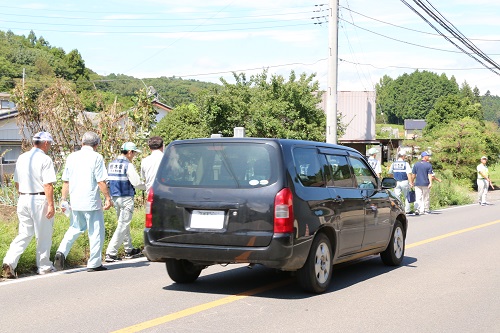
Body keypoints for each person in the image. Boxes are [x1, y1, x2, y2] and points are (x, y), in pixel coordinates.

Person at [54, 132, 113, 272]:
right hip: (91, 200)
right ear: (96, 145)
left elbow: (66, 181)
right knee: (96, 231)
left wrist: (63, 199)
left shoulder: (72, 157)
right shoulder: (96, 157)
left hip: (75, 200)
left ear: (82, 143)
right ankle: (94, 263)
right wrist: (108, 198)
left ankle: (61, 251)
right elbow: (101, 181)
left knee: (75, 227)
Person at [2, 132, 57, 278]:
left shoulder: (22, 157)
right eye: (50, 144)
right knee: (43, 234)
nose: (50, 146)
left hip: (23, 198)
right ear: (45, 143)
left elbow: (17, 182)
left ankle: (9, 261)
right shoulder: (45, 159)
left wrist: (23, 195)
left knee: (24, 233)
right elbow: (48, 184)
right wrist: (51, 205)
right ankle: (44, 266)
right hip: (39, 199)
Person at [105, 142, 146, 262]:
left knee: (123, 223)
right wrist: (147, 187)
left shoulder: (111, 164)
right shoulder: (128, 165)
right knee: (123, 225)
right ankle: (111, 253)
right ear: (129, 152)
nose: (134, 156)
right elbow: (137, 183)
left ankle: (129, 249)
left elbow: (107, 182)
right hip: (126, 197)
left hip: (115, 197)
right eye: (134, 153)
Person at [411, 151, 433, 215]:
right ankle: (426, 210)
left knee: (418, 197)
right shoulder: (429, 165)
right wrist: (430, 183)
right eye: (428, 156)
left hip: (417, 183)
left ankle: (417, 209)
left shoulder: (416, 164)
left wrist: (412, 182)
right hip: (426, 183)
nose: (428, 157)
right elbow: (429, 175)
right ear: (425, 157)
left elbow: (413, 174)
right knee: (426, 197)